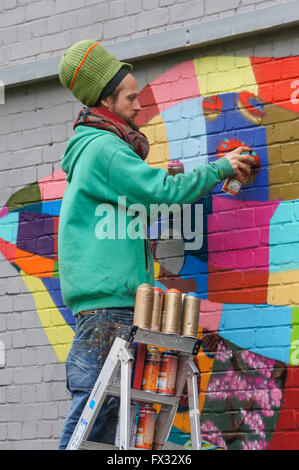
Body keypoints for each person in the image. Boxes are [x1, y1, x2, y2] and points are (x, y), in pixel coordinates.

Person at [57, 39, 256, 449]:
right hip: (109, 307)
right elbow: (160, 191)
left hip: (108, 304)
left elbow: (148, 193)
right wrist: (220, 167)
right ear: (107, 100)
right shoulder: (105, 150)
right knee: (92, 422)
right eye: (131, 98)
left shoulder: (100, 151)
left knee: (105, 427)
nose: (139, 106)